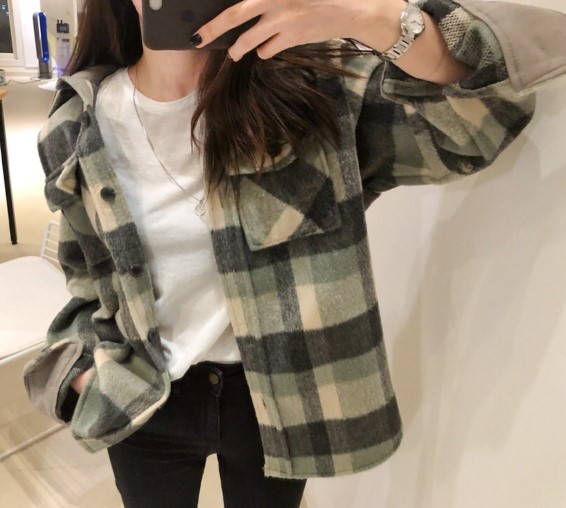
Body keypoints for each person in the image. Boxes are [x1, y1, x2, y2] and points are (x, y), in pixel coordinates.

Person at [23, 0, 565, 507]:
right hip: (145, 397)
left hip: (279, 403)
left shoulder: (318, 94)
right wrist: (84, 371)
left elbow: (484, 123)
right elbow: (87, 277)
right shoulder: (77, 124)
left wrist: (375, 18)